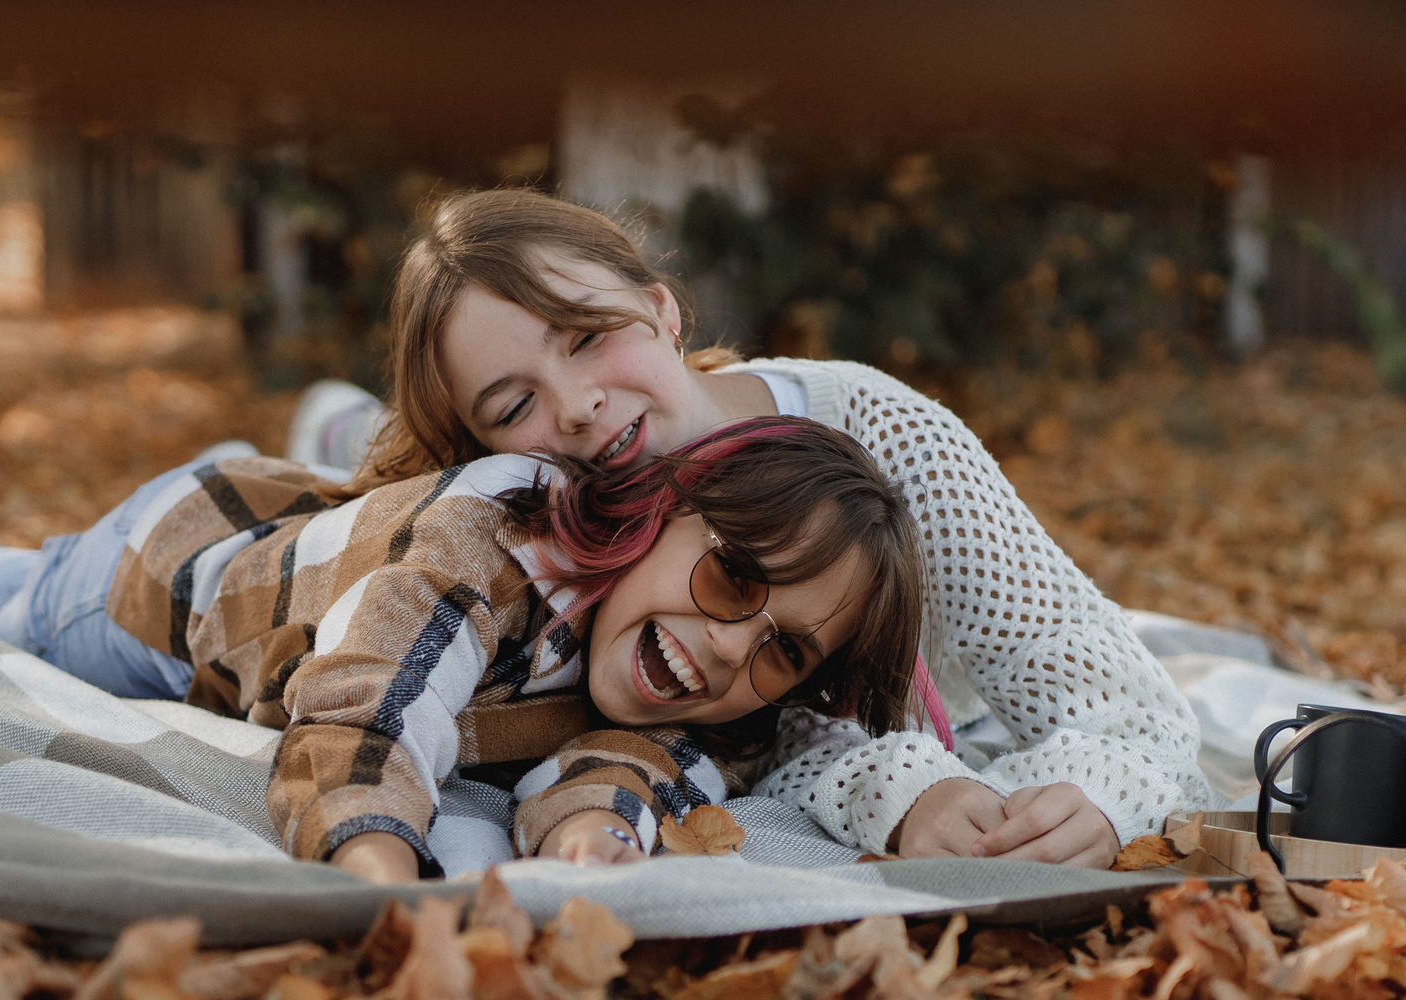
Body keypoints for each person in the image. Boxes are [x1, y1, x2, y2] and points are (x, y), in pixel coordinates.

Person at [291, 187, 1211, 868]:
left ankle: (338, 420)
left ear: (661, 308)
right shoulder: (535, 506)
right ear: (487, 445)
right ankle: (339, 427)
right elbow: (759, 742)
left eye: (585, 336)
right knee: (348, 481)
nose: (577, 407)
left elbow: (1131, 714)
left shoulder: (895, 442)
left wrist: (1095, 796)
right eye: (512, 402)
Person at [0, 417, 924, 883]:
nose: (730, 648)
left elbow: (632, 767)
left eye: (784, 648)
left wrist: (593, 838)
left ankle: (333, 427)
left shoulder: (730, 704)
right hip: (158, 580)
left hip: (318, 544)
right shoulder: (493, 533)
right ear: (659, 506)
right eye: (732, 575)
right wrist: (375, 873)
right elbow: (371, 713)